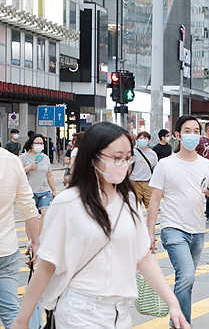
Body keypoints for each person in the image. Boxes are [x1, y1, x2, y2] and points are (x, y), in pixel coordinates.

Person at [13, 122, 190, 329]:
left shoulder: (129, 201)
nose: (123, 164)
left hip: (119, 312)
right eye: (116, 158)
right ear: (93, 157)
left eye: (127, 158)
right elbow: (47, 265)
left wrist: (173, 303)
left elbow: (143, 257)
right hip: (78, 310)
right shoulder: (68, 203)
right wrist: (21, 320)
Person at [148, 115, 209, 324]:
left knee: (186, 280)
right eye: (187, 131)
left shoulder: (207, 165)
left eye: (196, 131)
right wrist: (150, 232)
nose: (192, 135)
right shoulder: (165, 164)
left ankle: (176, 321)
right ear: (178, 135)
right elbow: (154, 200)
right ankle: (183, 324)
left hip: (198, 230)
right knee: (187, 275)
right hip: (173, 228)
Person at [0, 147, 40, 329]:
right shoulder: (11, 160)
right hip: (6, 249)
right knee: (11, 312)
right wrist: (35, 241)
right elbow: (28, 205)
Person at [19, 134, 56, 233]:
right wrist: (30, 167)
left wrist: (54, 190)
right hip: (30, 192)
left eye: (41, 143)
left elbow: (49, 175)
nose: (40, 145)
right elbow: (18, 172)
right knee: (31, 217)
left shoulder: (45, 158)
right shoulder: (23, 157)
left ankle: (39, 239)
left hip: (44, 191)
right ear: (31, 144)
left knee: (45, 213)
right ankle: (31, 241)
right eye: (37, 143)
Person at [130, 132, 158, 211]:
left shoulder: (153, 154)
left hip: (148, 183)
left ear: (149, 141)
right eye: (140, 138)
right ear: (137, 140)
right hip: (134, 182)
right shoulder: (132, 153)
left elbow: (155, 168)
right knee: (134, 207)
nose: (143, 140)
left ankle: (151, 223)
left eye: (145, 138)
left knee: (151, 206)